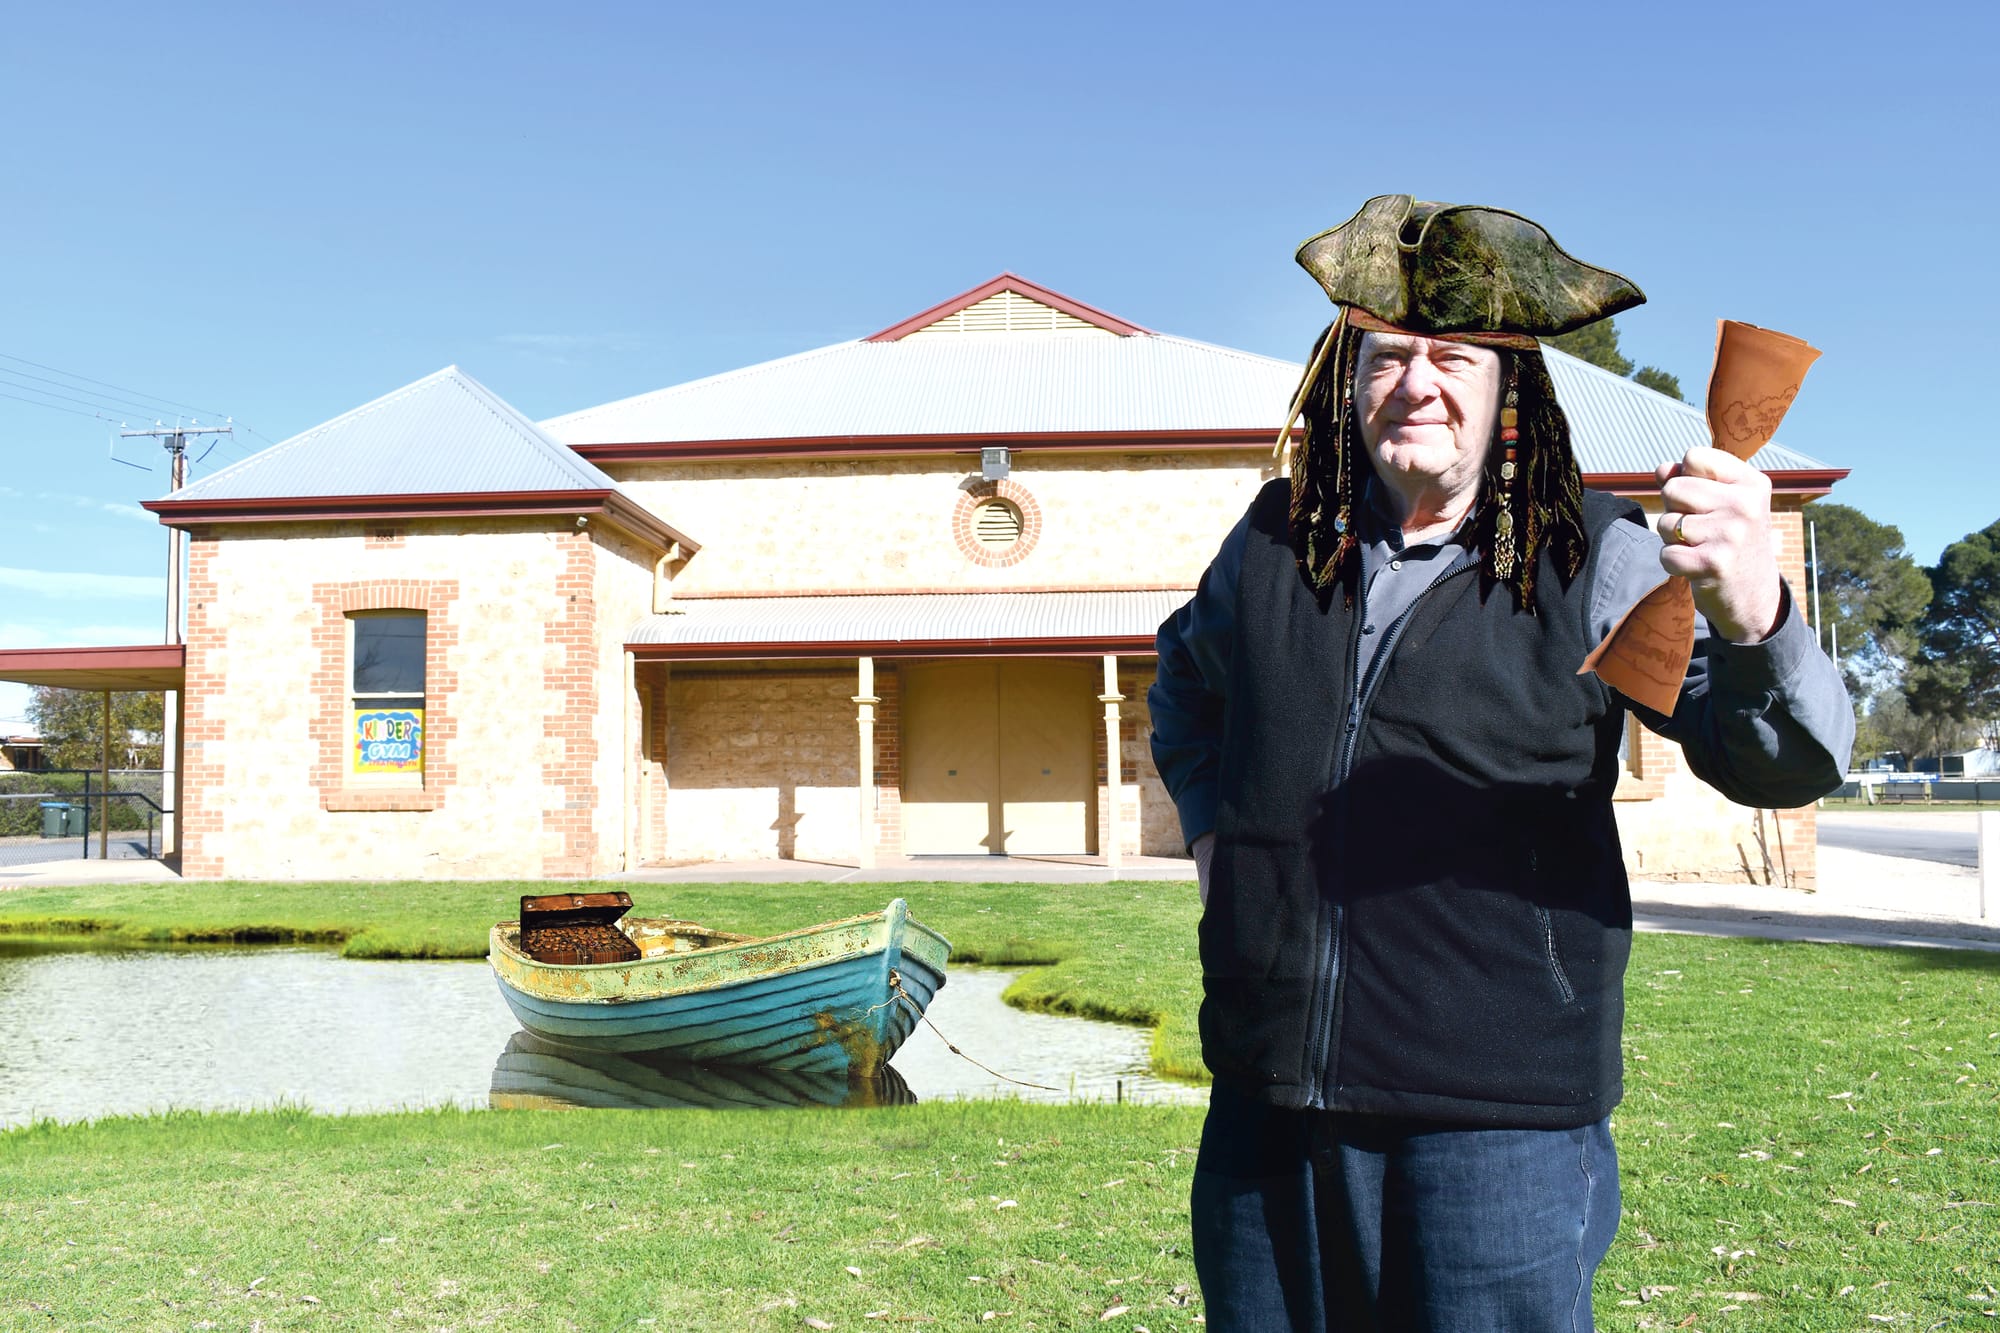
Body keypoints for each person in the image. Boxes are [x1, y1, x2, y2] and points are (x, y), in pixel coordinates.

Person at [1148, 196, 1853, 1332]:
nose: (1414, 383)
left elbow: (1775, 760)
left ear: (1507, 390)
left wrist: (1755, 609)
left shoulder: (1600, 556)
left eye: (1452, 358)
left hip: (1497, 1116)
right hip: (1267, 1099)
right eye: (1385, 357)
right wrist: (1211, 835)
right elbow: (1184, 686)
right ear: (1345, 377)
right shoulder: (1275, 541)